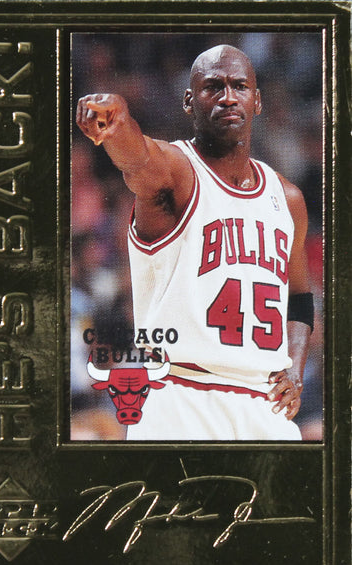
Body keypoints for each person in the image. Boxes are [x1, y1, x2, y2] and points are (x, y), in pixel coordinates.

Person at [76, 44, 314, 440]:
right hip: (180, 392)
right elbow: (137, 157)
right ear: (189, 101)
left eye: (239, 86)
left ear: (257, 100)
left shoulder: (287, 198)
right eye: (213, 87)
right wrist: (117, 125)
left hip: (263, 402)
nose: (228, 97)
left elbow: (300, 299)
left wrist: (295, 369)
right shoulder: (176, 170)